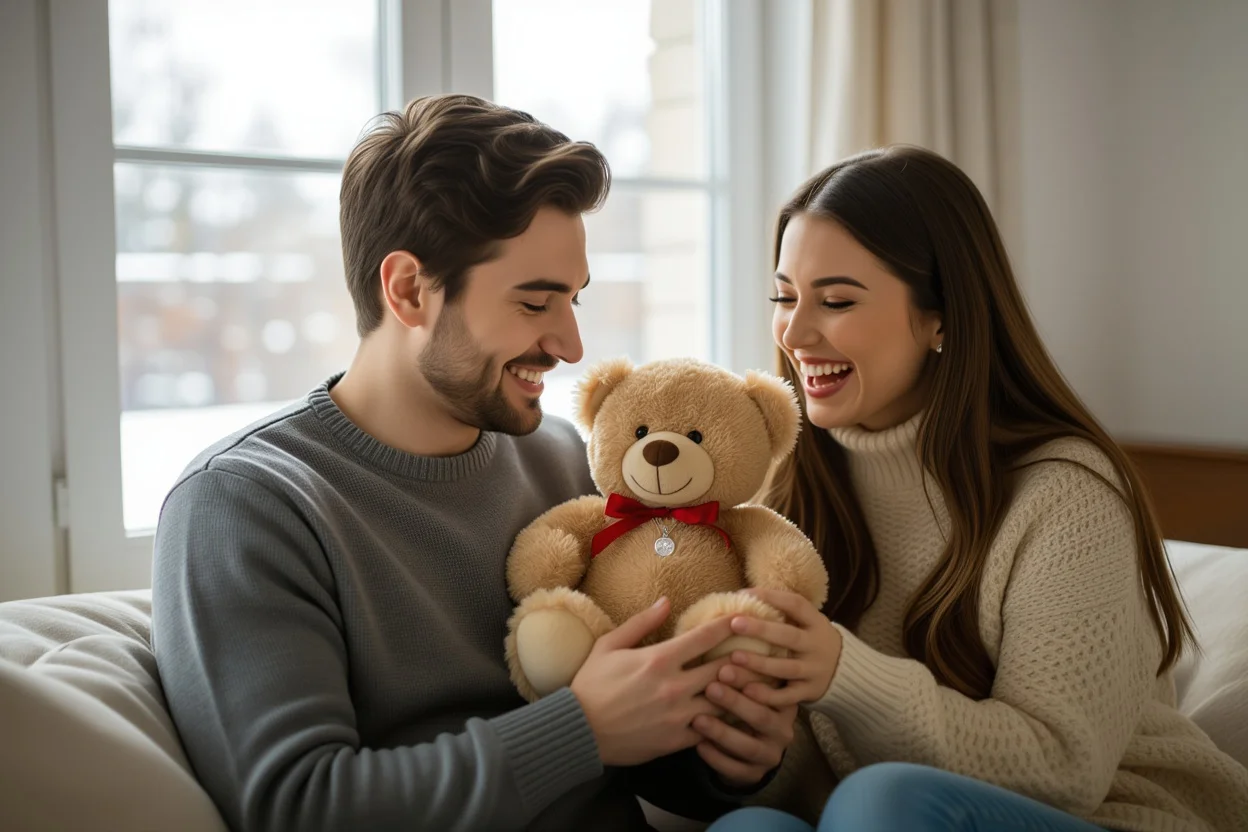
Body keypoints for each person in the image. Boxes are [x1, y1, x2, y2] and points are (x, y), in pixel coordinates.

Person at [151, 94, 794, 832]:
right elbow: (298, 805)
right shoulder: (244, 506)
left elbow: (638, 746)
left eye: (574, 300)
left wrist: (728, 752)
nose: (571, 345)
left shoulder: (567, 462)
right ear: (408, 290)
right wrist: (580, 730)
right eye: (534, 303)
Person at [704, 146, 1248, 832]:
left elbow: (1065, 771)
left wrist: (845, 674)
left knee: (882, 804)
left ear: (940, 315)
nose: (796, 332)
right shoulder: (790, 483)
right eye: (784, 297)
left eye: (836, 300)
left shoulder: (1066, 494)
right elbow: (820, 780)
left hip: (1118, 815)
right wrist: (755, 757)